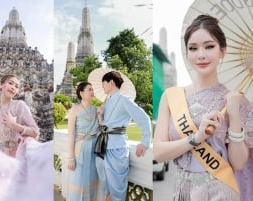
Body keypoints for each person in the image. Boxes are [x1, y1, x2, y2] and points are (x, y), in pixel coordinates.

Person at [153, 15, 253, 201]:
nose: (201, 54)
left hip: (220, 191)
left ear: (222, 51)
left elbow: (238, 163)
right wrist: (196, 138)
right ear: (187, 52)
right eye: (193, 48)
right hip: (182, 191)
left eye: (209, 46)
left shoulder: (237, 101)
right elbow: (159, 153)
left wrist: (234, 115)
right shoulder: (171, 97)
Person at [0, 74, 53, 201]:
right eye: (11, 83)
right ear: (2, 84)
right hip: (6, 154)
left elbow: (35, 132)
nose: (13, 87)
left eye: (17, 86)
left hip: (23, 151)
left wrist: (14, 125)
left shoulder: (20, 105)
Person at [95, 71, 152, 201]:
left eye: (103, 83)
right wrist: (100, 115)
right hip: (101, 146)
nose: (102, 86)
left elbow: (144, 118)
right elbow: (103, 125)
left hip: (117, 147)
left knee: (116, 186)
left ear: (111, 82)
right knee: (106, 185)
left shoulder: (124, 100)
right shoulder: (106, 102)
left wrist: (145, 141)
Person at [67, 82, 99, 201]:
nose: (92, 92)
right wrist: (71, 157)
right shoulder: (74, 110)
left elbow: (101, 129)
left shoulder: (96, 109)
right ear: (81, 93)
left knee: (91, 179)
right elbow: (71, 134)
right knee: (78, 180)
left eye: (93, 89)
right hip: (80, 149)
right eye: (89, 89)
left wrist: (100, 116)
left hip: (94, 150)